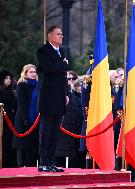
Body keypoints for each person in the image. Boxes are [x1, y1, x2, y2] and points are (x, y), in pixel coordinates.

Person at [36, 25, 68, 172]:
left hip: (59, 98)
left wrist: (66, 94)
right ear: (50, 36)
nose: (61, 36)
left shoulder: (61, 51)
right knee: (46, 132)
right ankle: (43, 162)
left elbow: (63, 76)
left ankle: (51, 161)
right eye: (58, 34)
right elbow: (49, 68)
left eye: (61, 34)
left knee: (55, 133)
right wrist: (62, 64)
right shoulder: (43, 51)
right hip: (48, 98)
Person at [12, 64, 38, 167]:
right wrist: (26, 118)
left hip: (35, 118)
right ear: (25, 73)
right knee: (22, 143)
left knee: (33, 144)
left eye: (34, 72)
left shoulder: (37, 85)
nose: (33, 74)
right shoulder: (22, 84)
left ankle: (31, 164)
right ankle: (20, 164)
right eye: (31, 72)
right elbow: (22, 103)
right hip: (24, 117)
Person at [55, 78, 84, 168]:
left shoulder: (73, 97)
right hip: (66, 130)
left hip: (72, 130)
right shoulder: (71, 98)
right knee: (60, 157)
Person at [0, 70, 17, 167]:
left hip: (11, 119)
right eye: (6, 78)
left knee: (10, 141)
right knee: (4, 141)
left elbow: (15, 106)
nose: (8, 80)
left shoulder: (12, 92)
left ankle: (10, 162)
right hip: (2, 119)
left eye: (10, 78)